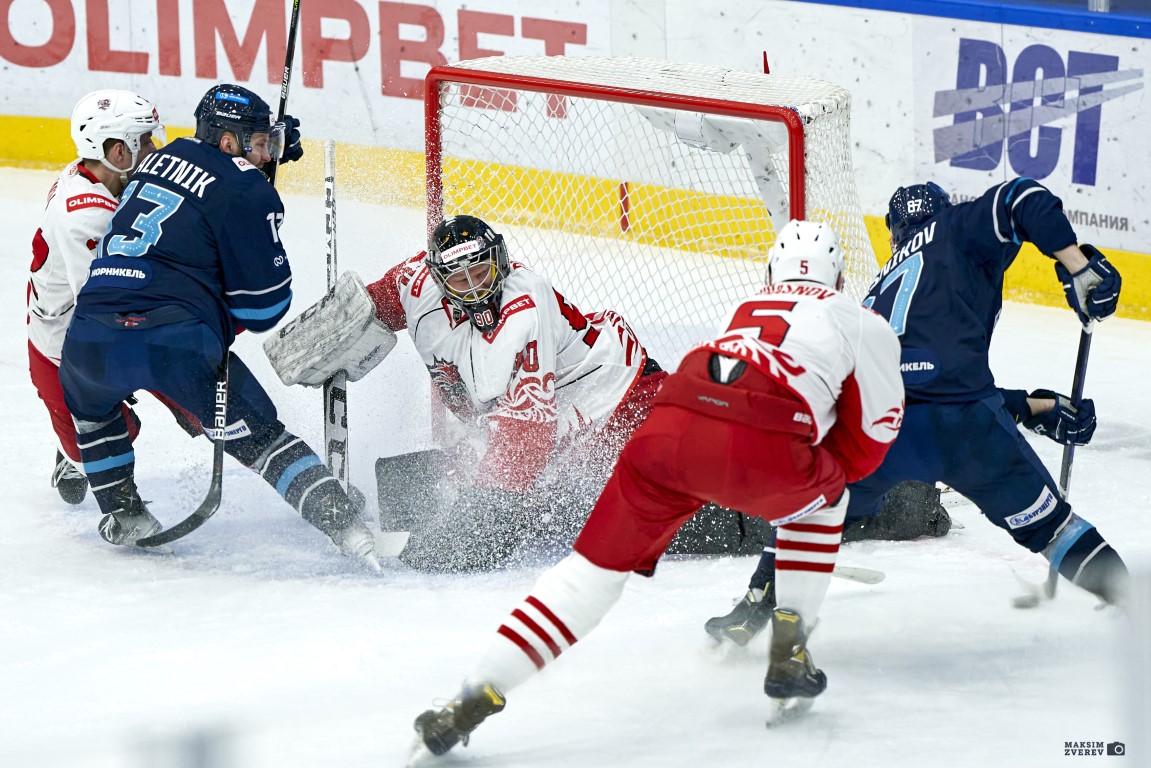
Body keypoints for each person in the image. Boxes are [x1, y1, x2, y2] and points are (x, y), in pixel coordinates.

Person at [407, 218, 906, 758]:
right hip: (760, 437)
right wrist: (806, 471)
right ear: (839, 274)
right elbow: (869, 444)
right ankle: (791, 648)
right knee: (825, 500)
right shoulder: (861, 321)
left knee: (585, 581)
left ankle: (473, 695)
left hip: (666, 426)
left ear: (770, 271)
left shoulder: (744, 309)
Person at [705, 178, 1126, 647]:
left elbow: (910, 382)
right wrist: (1078, 265)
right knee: (1055, 529)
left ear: (892, 234)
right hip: (967, 426)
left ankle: (753, 608)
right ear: (944, 208)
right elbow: (1024, 197)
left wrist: (1034, 406)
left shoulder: (877, 289)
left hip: (882, 430)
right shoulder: (957, 227)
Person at [57, 83, 375, 566]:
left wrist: (263, 159)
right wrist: (253, 215)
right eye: (260, 141)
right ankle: (344, 523)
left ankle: (124, 513)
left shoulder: (154, 161)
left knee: (92, 409)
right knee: (261, 437)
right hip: (174, 341)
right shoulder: (247, 190)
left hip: (89, 337)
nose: (268, 151)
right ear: (229, 143)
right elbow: (263, 311)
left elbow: (201, 183)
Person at [266, 214, 667, 571]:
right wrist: (330, 333)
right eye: (460, 279)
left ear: (501, 261)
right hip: (535, 410)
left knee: (649, 503)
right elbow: (371, 307)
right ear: (439, 280)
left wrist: (476, 531)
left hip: (616, 395)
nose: (475, 288)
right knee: (423, 490)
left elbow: (525, 438)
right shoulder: (415, 284)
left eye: (482, 272)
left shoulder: (525, 309)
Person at [27, 90, 191, 506]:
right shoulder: (85, 215)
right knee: (109, 441)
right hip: (68, 350)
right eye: (144, 141)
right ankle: (71, 456)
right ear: (118, 151)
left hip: (109, 324)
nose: (154, 148)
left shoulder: (100, 173)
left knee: (208, 405)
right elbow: (112, 309)